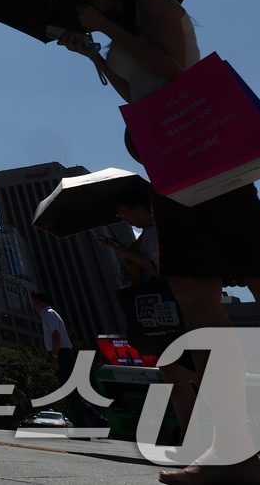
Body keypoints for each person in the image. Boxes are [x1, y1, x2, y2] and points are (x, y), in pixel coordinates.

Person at [57, 0, 260, 485]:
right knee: (194, 296)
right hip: (172, 164)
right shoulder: (120, 30)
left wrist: (105, 28)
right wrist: (95, 54)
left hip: (204, 159)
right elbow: (139, 94)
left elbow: (174, 72)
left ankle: (236, 457)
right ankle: (234, 454)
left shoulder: (153, 0)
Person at [98, 185, 199, 432]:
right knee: (174, 370)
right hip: (163, 310)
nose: (125, 218)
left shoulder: (154, 231)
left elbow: (158, 268)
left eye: (125, 212)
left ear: (140, 207)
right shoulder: (151, 232)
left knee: (183, 370)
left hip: (164, 310)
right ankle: (193, 431)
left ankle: (200, 429)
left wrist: (124, 252)